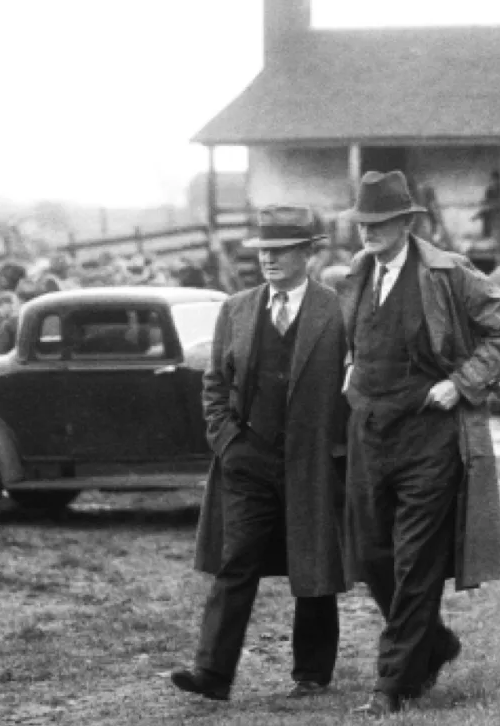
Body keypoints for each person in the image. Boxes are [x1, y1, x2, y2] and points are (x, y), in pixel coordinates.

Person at [338, 170, 500, 716]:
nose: (367, 231)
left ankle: (391, 683)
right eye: (362, 222)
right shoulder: (357, 272)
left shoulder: (449, 272)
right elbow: (356, 339)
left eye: (378, 222)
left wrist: (462, 382)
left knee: (414, 562)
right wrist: (352, 367)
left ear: (406, 222)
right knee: (372, 557)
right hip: (371, 433)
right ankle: (435, 642)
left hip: (431, 439)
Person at [170, 205, 349, 703]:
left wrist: (338, 447)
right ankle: (212, 673)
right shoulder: (238, 308)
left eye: (281, 250)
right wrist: (228, 441)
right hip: (248, 460)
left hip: (312, 461)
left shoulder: (334, 309)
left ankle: (312, 672)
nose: (268, 258)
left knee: (313, 564)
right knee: (236, 560)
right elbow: (215, 383)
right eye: (263, 250)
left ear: (307, 254)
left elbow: (356, 381)